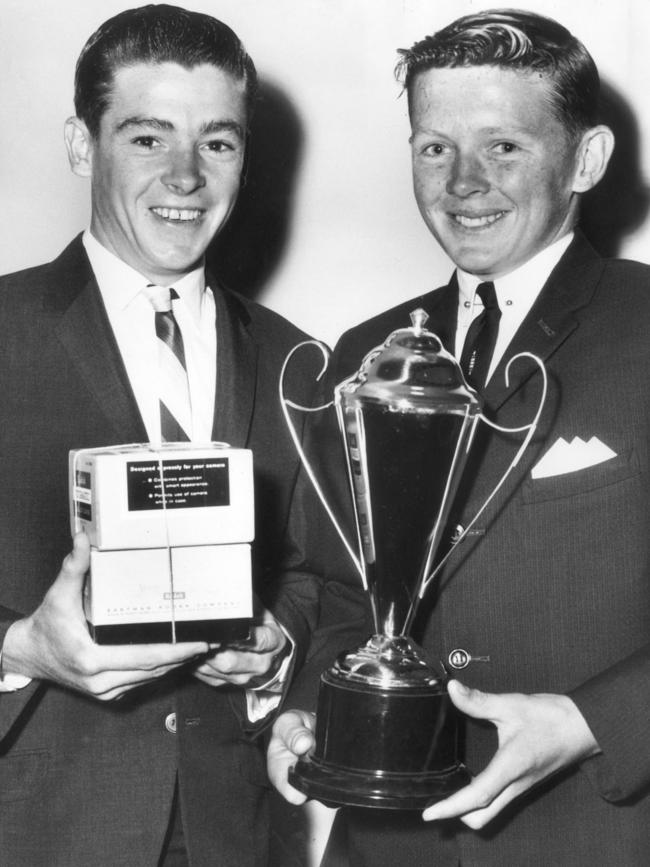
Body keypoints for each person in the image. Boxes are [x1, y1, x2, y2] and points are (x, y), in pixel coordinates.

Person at [268, 9, 650, 866]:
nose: (463, 181)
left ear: (587, 158)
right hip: (388, 847)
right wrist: (309, 708)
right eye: (434, 147)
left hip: (596, 833)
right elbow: (338, 593)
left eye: (503, 147)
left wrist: (592, 720)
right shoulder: (365, 355)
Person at [0, 5, 361, 866]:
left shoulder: (298, 362)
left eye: (218, 143)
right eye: (148, 137)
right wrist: (21, 648)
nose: (187, 176)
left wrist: (277, 647)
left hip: (235, 834)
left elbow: (325, 583)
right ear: (84, 145)